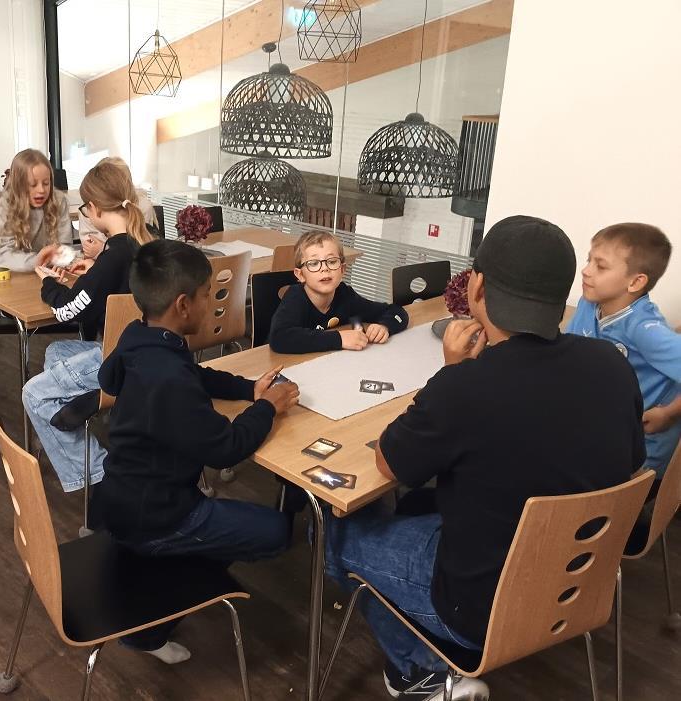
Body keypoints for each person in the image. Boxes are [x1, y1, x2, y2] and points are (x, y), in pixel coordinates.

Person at [324, 216, 646, 701]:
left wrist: (451, 373)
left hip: (479, 609)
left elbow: (390, 462)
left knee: (337, 528)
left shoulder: (467, 387)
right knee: (419, 504)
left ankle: (416, 673)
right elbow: (629, 464)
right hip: (578, 581)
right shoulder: (612, 366)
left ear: (477, 287)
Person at [97, 239, 299, 663]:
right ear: (184, 305)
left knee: (237, 525)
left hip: (122, 498)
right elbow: (227, 448)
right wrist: (267, 407)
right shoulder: (167, 378)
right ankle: (150, 622)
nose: (212, 303)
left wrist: (249, 389)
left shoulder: (142, 337)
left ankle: (165, 568)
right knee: (276, 532)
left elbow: (190, 375)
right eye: (208, 295)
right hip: (156, 516)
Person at [21, 160, 153, 492]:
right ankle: (83, 410)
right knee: (57, 352)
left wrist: (47, 282)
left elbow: (68, 311)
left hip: (120, 357)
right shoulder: (141, 244)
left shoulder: (114, 255)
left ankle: (98, 473)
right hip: (143, 352)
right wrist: (90, 274)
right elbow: (107, 289)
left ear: (94, 209)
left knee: (33, 394)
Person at [567, 223, 681, 483]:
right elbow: (570, 352)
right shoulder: (589, 302)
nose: (586, 270)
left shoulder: (644, 329)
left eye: (600, 266)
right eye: (589, 260)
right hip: (601, 432)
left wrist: (669, 414)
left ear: (636, 281)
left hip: (641, 458)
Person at [268, 231, 409, 353]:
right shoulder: (295, 298)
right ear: (300, 275)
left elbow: (397, 312)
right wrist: (339, 339)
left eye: (332, 261)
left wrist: (384, 326)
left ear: (342, 269)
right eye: (314, 263)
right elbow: (279, 338)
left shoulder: (345, 296)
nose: (325, 268)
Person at [0, 149, 73, 271]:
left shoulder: (58, 200)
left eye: (46, 183)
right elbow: (4, 254)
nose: (41, 190)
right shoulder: (6, 204)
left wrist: (60, 257)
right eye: (32, 184)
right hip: (4, 269)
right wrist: (37, 260)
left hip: (44, 269)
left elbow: (65, 245)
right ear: (18, 185)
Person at [78, 156, 158, 260]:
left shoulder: (142, 206)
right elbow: (89, 247)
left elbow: (140, 248)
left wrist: (103, 249)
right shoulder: (88, 208)